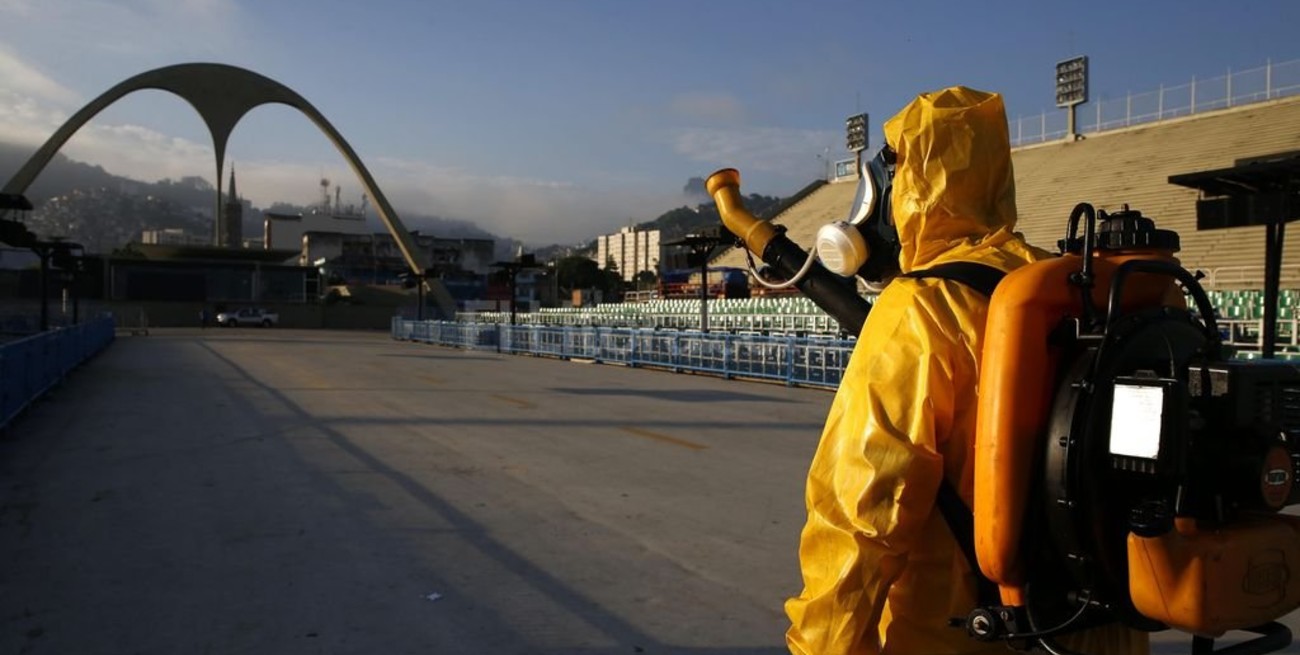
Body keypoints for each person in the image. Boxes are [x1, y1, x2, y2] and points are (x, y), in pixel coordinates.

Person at [783, 87, 1147, 654]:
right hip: (1098, 633)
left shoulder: (921, 309)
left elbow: (858, 518)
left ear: (900, 191)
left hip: (964, 636)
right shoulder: (1063, 285)